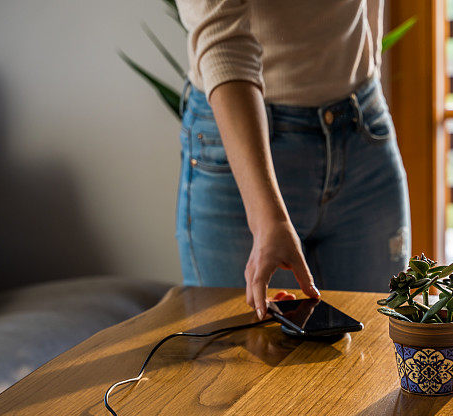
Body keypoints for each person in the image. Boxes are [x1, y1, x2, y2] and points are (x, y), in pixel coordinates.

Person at [175, 0, 411, 320]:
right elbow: (222, 43)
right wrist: (266, 218)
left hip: (361, 131)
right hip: (242, 150)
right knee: (244, 362)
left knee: (377, 346)